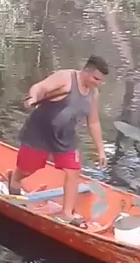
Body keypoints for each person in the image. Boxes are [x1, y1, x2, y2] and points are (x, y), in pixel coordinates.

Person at [8, 55, 109, 224]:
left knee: (73, 170)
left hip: (65, 136)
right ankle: (15, 179)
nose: (97, 83)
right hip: (40, 132)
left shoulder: (93, 93)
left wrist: (101, 150)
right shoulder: (66, 78)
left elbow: (93, 122)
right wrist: (32, 98)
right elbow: (39, 87)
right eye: (95, 78)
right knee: (27, 169)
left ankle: (67, 213)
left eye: (100, 80)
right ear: (86, 71)